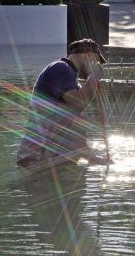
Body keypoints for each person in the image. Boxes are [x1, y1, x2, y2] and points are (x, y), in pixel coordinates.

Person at [17, 39, 112, 170]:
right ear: (88, 55)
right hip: (38, 162)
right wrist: (94, 76)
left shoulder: (73, 82)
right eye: (96, 62)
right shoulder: (60, 68)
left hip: (54, 163)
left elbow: (79, 145)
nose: (98, 66)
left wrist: (100, 161)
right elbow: (79, 103)